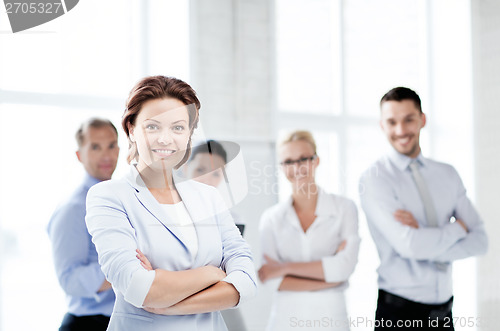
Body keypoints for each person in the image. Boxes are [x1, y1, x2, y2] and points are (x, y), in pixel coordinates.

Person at [85, 75, 256, 331]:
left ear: (189, 133)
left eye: (177, 127)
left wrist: (172, 302)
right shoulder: (108, 196)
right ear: (131, 128)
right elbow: (137, 287)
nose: (165, 139)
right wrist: (213, 274)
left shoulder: (208, 197)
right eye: (153, 126)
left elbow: (247, 280)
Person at [359, 87, 488, 330]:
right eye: (391, 122)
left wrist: (425, 243)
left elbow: (481, 241)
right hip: (399, 312)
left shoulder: (447, 174)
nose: (401, 130)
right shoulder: (375, 178)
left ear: (422, 119)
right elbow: (410, 245)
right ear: (382, 126)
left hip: (444, 311)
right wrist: (456, 230)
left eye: (408, 119)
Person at [258, 130, 360, 331]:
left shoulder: (344, 208)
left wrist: (284, 268)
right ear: (281, 167)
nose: (297, 168)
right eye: (288, 161)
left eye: (303, 159)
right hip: (285, 320)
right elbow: (269, 280)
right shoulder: (271, 219)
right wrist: (331, 279)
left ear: (316, 161)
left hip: (331, 320)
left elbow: (344, 268)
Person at [47, 118, 119, 331]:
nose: (106, 155)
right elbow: (70, 280)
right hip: (87, 324)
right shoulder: (74, 208)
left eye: (112, 145)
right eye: (95, 147)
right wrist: (125, 269)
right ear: (80, 155)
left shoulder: (121, 200)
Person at [185, 139, 248, 331]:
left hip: (219, 303)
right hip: (178, 304)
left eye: (215, 174)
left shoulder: (231, 219)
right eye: (200, 169)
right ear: (186, 167)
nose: (207, 179)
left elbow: (236, 274)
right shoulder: (166, 214)